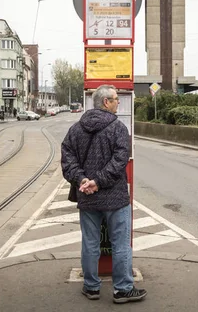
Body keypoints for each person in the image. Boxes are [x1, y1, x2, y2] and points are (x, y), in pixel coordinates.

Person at [61, 85, 147, 304]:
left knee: (90, 242)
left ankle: (91, 287)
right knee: (120, 244)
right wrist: (98, 182)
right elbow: (120, 161)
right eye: (116, 99)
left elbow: (67, 158)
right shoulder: (118, 128)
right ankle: (123, 290)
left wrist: (82, 180)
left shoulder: (76, 129)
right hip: (115, 198)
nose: (119, 102)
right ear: (106, 102)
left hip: (87, 197)